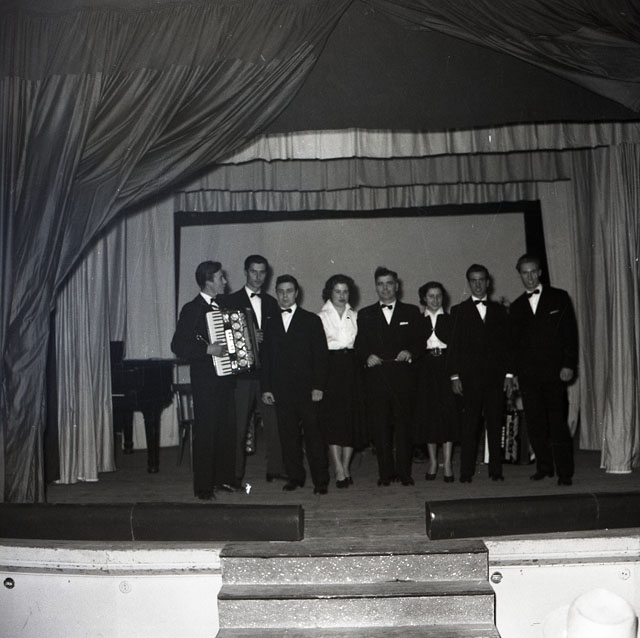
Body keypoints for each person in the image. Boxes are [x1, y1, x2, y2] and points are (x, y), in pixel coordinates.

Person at [510, 254, 578, 486]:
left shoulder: (559, 297)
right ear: (520, 275)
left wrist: (569, 364)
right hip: (528, 375)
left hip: (555, 373)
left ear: (540, 272)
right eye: (524, 273)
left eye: (533, 272)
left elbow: (570, 334)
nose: (529, 277)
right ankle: (544, 466)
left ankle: (565, 473)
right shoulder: (517, 306)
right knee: (535, 423)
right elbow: (514, 346)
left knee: (558, 423)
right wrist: (513, 374)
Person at [170, 260, 236, 499]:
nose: (225, 281)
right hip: (205, 380)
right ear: (208, 281)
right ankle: (204, 487)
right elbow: (178, 345)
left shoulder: (225, 305)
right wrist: (208, 349)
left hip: (226, 378)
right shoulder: (192, 308)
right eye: (220, 278)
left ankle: (223, 479)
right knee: (206, 432)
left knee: (226, 429)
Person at [261, 274, 330, 494]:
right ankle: (295, 476)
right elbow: (266, 358)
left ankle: (320, 481)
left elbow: (320, 356)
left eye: (289, 291)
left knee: (314, 437)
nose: (284, 296)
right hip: (281, 390)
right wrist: (266, 388)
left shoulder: (311, 320)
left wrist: (318, 386)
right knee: (288, 436)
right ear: (276, 293)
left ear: (296, 293)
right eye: (280, 291)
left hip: (308, 390)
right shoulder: (270, 322)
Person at [354, 266, 422, 486]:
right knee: (380, 429)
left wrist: (410, 352)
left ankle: (404, 473)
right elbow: (359, 345)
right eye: (380, 284)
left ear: (397, 286)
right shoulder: (365, 314)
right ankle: (385, 474)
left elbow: (420, 342)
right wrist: (367, 356)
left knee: (404, 429)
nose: (385, 288)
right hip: (377, 381)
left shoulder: (411, 312)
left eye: (389, 283)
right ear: (376, 287)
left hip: (403, 380)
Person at [448, 264, 513, 483]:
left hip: (495, 378)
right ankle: (466, 472)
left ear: (488, 282)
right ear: (469, 283)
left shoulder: (500, 310)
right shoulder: (458, 311)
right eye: (473, 280)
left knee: (495, 424)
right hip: (470, 379)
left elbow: (507, 346)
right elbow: (454, 347)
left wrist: (509, 375)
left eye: (481, 280)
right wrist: (454, 376)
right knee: (469, 426)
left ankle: (496, 470)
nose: (477, 284)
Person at [227, 255, 285, 486]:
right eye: (254, 272)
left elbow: (278, 339)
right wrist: (250, 338)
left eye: (262, 272)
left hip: (266, 375)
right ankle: (234, 475)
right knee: (239, 426)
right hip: (242, 376)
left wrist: (265, 338)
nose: (258, 277)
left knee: (274, 424)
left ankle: (276, 469)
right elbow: (226, 336)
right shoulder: (231, 300)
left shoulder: (272, 302)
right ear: (245, 272)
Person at [413, 281, 459, 483]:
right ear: (424, 298)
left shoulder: (451, 319)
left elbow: (456, 349)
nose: (435, 300)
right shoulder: (417, 320)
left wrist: (455, 376)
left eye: (438, 296)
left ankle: (447, 463)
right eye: (431, 296)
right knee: (428, 415)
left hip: (446, 368)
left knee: (447, 415)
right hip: (425, 370)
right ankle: (432, 461)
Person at [317, 274, 360, 488]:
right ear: (329, 293)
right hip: (330, 368)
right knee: (334, 420)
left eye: (345, 292)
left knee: (350, 420)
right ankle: (338, 469)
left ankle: (346, 466)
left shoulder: (355, 315)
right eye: (337, 291)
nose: (342, 296)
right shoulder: (321, 317)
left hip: (351, 368)